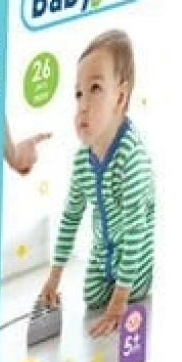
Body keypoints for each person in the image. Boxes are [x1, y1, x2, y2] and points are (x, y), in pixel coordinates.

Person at [37, 29, 155, 337]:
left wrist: (119, 303)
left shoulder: (131, 158)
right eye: (78, 94)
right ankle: (114, 286)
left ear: (120, 97)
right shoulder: (82, 160)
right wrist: (54, 278)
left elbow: (136, 231)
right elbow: (71, 217)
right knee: (91, 297)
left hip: (136, 252)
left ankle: (129, 287)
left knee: (127, 293)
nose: (83, 105)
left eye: (95, 89)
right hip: (104, 250)